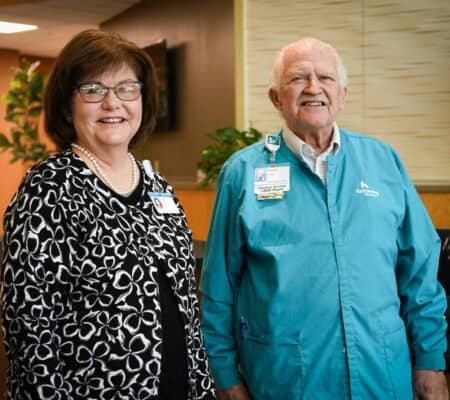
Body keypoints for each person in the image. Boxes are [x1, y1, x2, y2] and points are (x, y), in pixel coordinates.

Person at [200, 37, 448, 399]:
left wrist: (430, 360)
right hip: (284, 380)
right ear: (275, 97)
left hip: (382, 375)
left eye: (326, 78)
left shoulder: (384, 162)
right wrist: (224, 376)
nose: (314, 88)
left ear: (343, 95)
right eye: (298, 78)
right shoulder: (242, 172)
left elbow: (420, 271)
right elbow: (218, 286)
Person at [1, 29, 215, 400]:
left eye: (127, 88)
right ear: (68, 105)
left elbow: (184, 307)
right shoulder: (48, 187)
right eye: (93, 90)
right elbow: (29, 328)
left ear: (144, 100)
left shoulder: (157, 185)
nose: (112, 103)